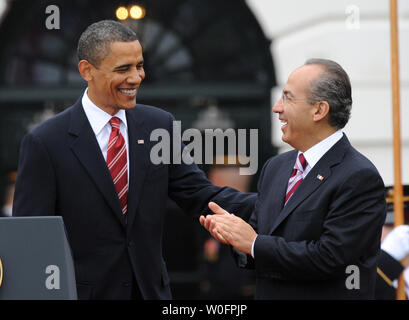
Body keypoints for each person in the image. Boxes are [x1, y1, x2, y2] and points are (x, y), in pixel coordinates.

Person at [12, 20, 256, 300]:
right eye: (123, 69)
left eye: (139, 66)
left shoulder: (158, 126)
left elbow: (200, 194)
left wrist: (279, 202)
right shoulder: (46, 142)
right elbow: (30, 239)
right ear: (86, 70)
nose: (136, 77)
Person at [201, 59, 386, 299]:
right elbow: (259, 245)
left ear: (319, 110)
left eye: (287, 98)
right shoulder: (276, 168)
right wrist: (235, 238)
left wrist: (254, 243)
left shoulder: (359, 176)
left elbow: (330, 257)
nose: (277, 108)